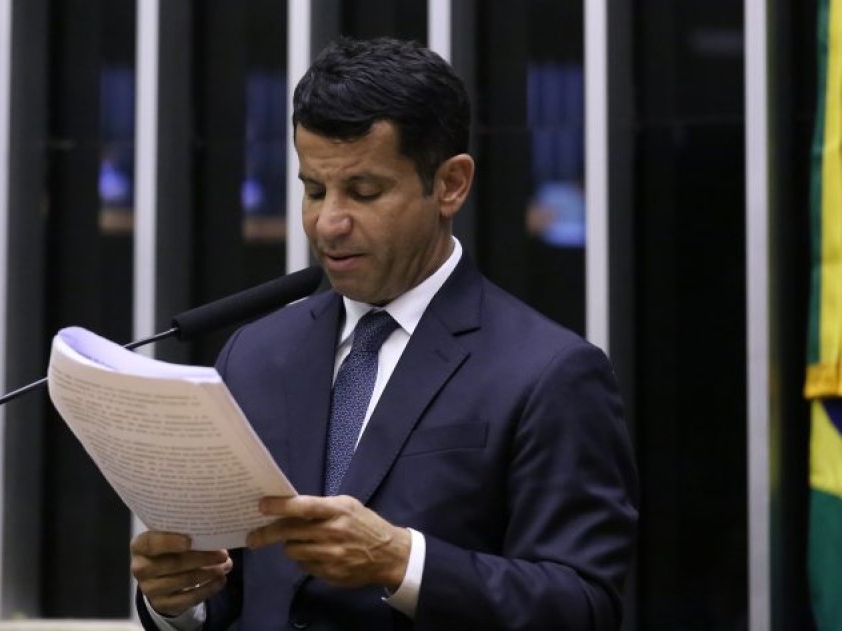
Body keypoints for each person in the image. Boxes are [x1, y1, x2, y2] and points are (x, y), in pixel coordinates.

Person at [130, 36, 638, 630]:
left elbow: (583, 606)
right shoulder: (256, 354)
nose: (328, 222)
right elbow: (236, 591)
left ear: (450, 184)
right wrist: (178, 601)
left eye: (364, 192)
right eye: (313, 190)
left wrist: (404, 564)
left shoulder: (550, 372)